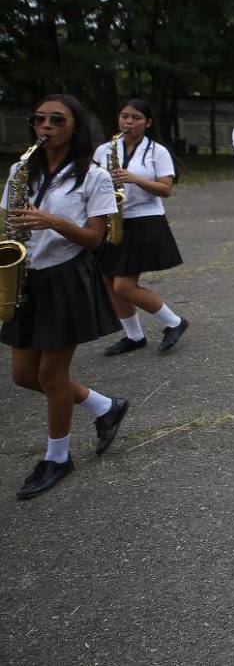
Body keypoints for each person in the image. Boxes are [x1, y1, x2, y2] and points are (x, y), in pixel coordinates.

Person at [3, 94, 130, 500]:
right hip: (28, 276)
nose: (46, 126)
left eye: (57, 119)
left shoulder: (93, 176)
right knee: (24, 375)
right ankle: (104, 406)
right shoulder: (21, 169)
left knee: (51, 376)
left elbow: (96, 239)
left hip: (67, 278)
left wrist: (52, 221)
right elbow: (8, 220)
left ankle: (57, 457)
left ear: (75, 126)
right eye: (38, 118)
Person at [93, 99, 189, 355]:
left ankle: (174, 322)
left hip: (145, 220)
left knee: (123, 285)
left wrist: (134, 178)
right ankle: (134, 335)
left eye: (135, 118)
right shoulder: (104, 150)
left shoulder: (157, 151)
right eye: (125, 116)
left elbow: (166, 189)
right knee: (108, 280)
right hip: (112, 219)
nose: (129, 122)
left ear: (147, 123)